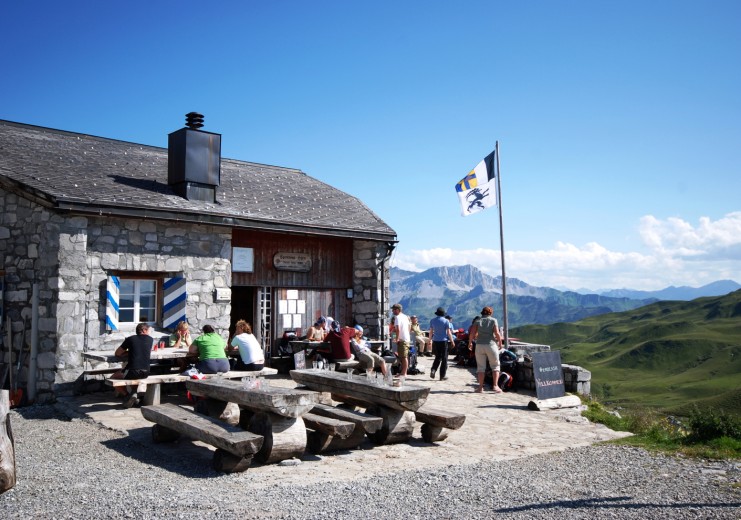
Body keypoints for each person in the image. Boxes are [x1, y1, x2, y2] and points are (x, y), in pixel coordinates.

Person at [111, 322, 153, 407]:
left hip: (133, 371)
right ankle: (135, 395)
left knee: (112, 378)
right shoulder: (150, 339)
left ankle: (127, 395)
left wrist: (129, 352)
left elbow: (118, 353)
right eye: (149, 330)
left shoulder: (130, 339)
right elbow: (142, 350)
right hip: (146, 372)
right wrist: (132, 351)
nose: (149, 332)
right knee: (133, 377)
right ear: (144, 330)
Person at [468, 306, 504, 393]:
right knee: (495, 366)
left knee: (481, 367)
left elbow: (472, 333)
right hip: (491, 345)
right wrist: (500, 343)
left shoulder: (477, 321)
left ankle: (480, 387)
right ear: (490, 313)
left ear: (482, 312)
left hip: (479, 345)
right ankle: (495, 386)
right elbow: (497, 333)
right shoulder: (493, 320)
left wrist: (469, 343)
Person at [429, 307, 455, 381]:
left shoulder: (432, 320)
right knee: (444, 358)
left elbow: (431, 331)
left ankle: (433, 370)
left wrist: (429, 340)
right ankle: (442, 376)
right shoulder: (446, 321)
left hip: (435, 341)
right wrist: (452, 341)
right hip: (443, 341)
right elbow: (449, 332)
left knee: (437, 357)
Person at [391, 303, 411, 376]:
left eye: (393, 310)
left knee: (403, 357)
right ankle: (404, 372)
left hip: (402, 339)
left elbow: (398, 329)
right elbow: (409, 327)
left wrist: (397, 339)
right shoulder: (405, 316)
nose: (392, 311)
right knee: (403, 356)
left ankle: (403, 373)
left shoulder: (397, 317)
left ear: (397, 310)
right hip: (406, 338)